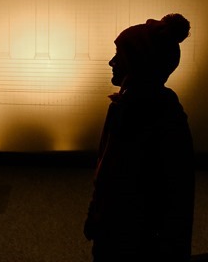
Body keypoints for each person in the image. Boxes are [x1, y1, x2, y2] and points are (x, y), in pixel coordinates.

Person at [83, 13, 195, 261]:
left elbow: (115, 178)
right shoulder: (150, 107)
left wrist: (98, 216)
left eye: (119, 55)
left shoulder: (140, 113)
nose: (112, 62)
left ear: (137, 62)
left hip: (129, 237)